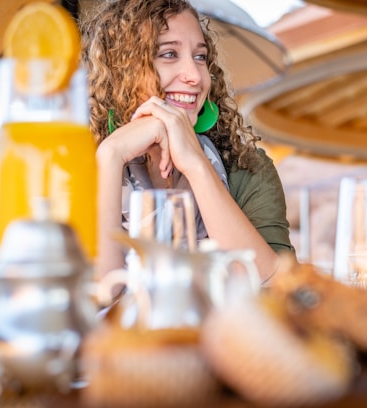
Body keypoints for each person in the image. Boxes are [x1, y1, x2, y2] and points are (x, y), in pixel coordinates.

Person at [80, 0, 294, 282]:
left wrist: (196, 163)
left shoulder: (248, 168)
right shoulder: (76, 166)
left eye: (200, 57)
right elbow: (95, 299)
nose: (194, 76)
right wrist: (110, 155)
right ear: (119, 70)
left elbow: (279, 289)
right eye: (169, 54)